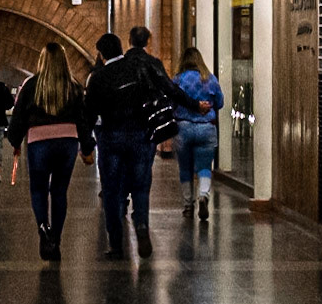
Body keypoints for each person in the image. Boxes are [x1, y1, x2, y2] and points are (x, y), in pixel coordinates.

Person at [84, 31, 195, 259]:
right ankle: (142, 225)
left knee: (112, 191)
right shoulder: (138, 67)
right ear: (121, 48)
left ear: (102, 55)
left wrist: (85, 145)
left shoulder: (98, 78)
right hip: (140, 137)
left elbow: (89, 114)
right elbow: (169, 88)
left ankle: (116, 245)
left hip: (111, 139)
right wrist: (194, 105)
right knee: (141, 187)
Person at [7, 43, 95, 261]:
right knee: (59, 191)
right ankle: (56, 238)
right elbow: (82, 120)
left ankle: (43, 229)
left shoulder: (31, 85)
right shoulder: (73, 86)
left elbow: (19, 117)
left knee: (38, 190)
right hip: (67, 143)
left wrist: (15, 139)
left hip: (39, 143)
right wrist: (87, 148)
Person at [174, 47, 224, 220]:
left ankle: (188, 206)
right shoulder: (210, 79)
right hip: (206, 128)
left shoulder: (178, 79)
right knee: (204, 167)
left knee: (185, 168)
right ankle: (203, 195)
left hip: (183, 128)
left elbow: (171, 102)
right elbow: (220, 102)